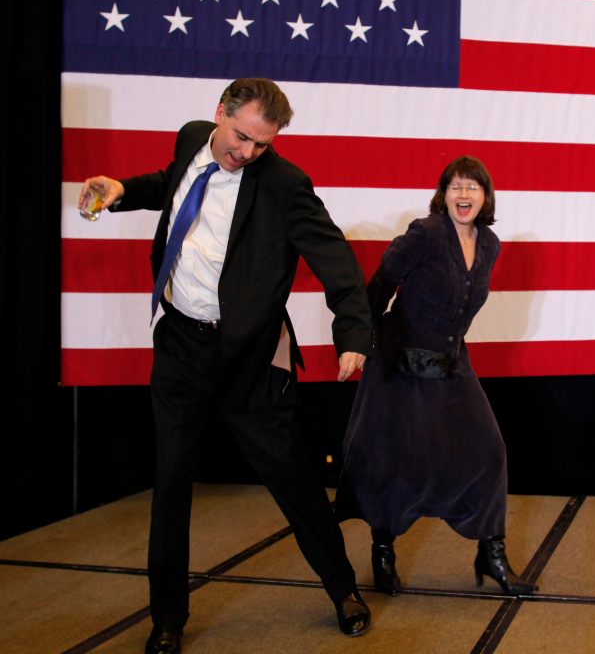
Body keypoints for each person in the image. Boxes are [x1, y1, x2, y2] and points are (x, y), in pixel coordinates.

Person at [79, 79, 374, 654]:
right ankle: (167, 617)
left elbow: (334, 257)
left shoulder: (286, 186)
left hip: (249, 358)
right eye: (241, 137)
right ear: (219, 115)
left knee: (295, 480)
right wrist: (121, 191)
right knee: (170, 483)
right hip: (181, 350)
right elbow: (173, 187)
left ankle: (343, 589)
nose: (246, 153)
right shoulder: (192, 138)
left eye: (261, 145)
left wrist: (352, 332)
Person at [335, 156, 537, 597]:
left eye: (472, 187)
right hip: (399, 361)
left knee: (489, 450)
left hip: (450, 361)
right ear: (443, 194)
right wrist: (356, 341)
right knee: (393, 459)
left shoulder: (489, 244)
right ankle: (383, 551)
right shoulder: (425, 234)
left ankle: (492, 554)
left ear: (486, 196)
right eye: (455, 187)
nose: (464, 195)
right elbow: (380, 286)